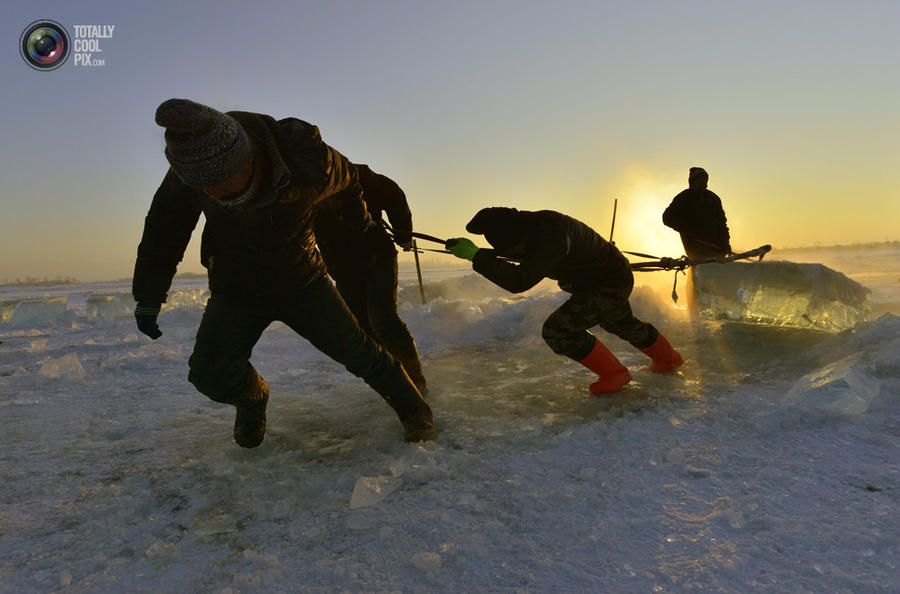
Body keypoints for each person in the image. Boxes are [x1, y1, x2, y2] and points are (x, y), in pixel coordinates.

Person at [132, 98, 435, 448]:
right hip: (236, 285)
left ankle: (416, 413)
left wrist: (358, 216)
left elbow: (351, 179)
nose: (214, 194)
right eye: (204, 189)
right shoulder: (191, 171)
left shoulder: (306, 157)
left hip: (301, 279)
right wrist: (149, 295)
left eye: (222, 183)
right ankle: (252, 399)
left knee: (362, 354)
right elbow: (163, 230)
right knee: (208, 374)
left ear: (246, 158)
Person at [445, 207, 683, 394]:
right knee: (619, 322)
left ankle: (614, 374)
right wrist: (482, 255)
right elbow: (525, 258)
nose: (517, 255)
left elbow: (519, 281)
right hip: (601, 278)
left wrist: (477, 256)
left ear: (519, 237)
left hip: (607, 281)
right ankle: (667, 358)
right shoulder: (534, 227)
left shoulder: (549, 236)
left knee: (558, 330)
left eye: (515, 250)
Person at [314, 165, 428, 396]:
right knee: (361, 329)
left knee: (383, 318)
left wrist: (403, 233)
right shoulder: (293, 189)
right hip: (342, 268)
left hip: (378, 257)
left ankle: (416, 383)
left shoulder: (348, 173)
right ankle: (393, 381)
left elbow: (393, 194)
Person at [662, 167, 732, 258]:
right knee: (703, 269)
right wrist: (686, 230)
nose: (702, 183)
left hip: (717, 249)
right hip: (695, 249)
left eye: (704, 180)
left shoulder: (714, 199)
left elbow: (722, 224)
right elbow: (667, 217)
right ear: (692, 182)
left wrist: (725, 243)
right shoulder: (683, 198)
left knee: (719, 268)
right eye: (699, 180)